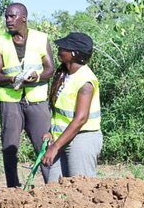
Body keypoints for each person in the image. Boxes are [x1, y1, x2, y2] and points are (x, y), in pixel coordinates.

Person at [0, 3, 55, 188]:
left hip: (37, 100)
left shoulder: (41, 38)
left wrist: (36, 77)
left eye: (12, 16)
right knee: (10, 147)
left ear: (24, 18)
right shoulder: (0, 40)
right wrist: (14, 79)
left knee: (44, 146)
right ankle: (13, 188)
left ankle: (53, 188)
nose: (8, 20)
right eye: (7, 16)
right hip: (11, 101)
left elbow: (50, 69)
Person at [41, 32, 102, 180]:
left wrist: (55, 147)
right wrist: (51, 132)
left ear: (74, 54)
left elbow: (81, 119)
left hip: (82, 140)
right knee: (53, 189)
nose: (59, 50)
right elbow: (60, 112)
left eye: (64, 48)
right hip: (62, 137)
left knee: (81, 188)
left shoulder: (86, 81)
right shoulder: (64, 75)